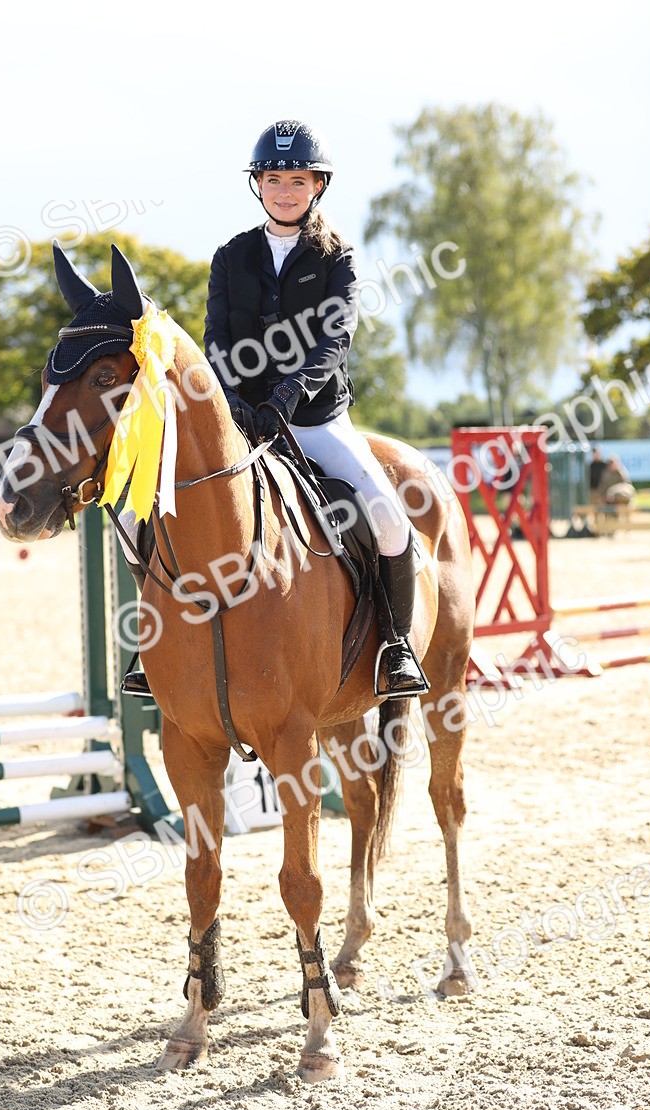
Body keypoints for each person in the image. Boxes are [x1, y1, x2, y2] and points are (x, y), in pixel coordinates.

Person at [202, 119, 427, 698]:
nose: (284, 190)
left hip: (318, 418)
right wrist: (233, 400)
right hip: (244, 422)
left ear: (316, 186)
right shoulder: (230, 257)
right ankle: (155, 651)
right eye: (272, 178)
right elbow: (217, 342)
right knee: (152, 512)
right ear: (258, 185)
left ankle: (397, 647)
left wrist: (288, 394)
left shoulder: (338, 258)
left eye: (296, 180)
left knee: (387, 517)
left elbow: (334, 339)